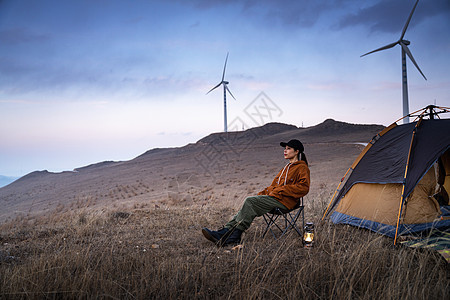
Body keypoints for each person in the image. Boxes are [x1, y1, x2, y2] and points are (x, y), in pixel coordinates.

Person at [202, 139, 310, 246]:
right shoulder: (285, 168)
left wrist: (281, 190)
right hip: (275, 199)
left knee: (250, 201)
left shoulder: (302, 167)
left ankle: (233, 236)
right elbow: (273, 187)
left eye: (288, 148)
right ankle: (225, 232)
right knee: (249, 204)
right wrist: (262, 194)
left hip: (286, 202)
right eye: (285, 149)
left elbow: (304, 188)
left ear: (297, 151)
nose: (285, 151)